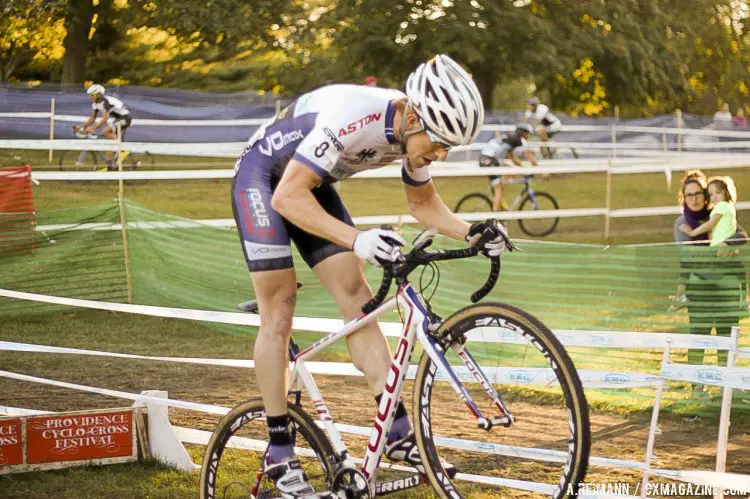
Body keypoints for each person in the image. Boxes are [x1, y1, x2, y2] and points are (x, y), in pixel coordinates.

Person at [232, 54, 509, 498]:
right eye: (438, 144)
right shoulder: (352, 117)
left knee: (358, 299)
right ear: (415, 115)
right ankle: (279, 448)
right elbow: (286, 197)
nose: (438, 155)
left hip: (311, 187)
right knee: (279, 311)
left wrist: (472, 231)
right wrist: (358, 239)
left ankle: (397, 430)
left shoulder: (414, 132)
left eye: (447, 149)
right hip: (263, 180)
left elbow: (422, 205)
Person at [672, 171, 747, 369]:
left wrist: (729, 242)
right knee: (698, 336)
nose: (695, 199)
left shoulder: (719, 214)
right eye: (689, 195)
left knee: (726, 335)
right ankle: (697, 386)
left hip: (725, 286)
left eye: (698, 194)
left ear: (705, 196)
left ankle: (725, 386)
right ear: (684, 197)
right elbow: (690, 255)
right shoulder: (681, 224)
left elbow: (740, 234)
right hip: (699, 287)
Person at [479, 123, 538, 211]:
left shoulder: (510, 137)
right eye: (527, 133)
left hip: (488, 158)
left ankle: (501, 206)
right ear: (523, 133)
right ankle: (495, 216)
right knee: (500, 189)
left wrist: (523, 168)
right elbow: (529, 155)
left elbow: (512, 156)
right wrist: (537, 168)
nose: (528, 136)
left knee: (509, 169)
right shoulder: (518, 139)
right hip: (490, 160)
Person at [73, 84, 133, 170]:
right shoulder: (95, 104)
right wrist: (81, 126)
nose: (90, 97)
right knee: (109, 142)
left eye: (92, 95)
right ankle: (110, 164)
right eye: (89, 95)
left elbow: (105, 119)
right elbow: (92, 118)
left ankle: (122, 150)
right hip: (119, 118)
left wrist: (92, 128)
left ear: (99, 94)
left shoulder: (105, 101)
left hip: (125, 118)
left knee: (105, 132)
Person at [679, 176, 738, 252]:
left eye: (718, 192)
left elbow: (711, 224)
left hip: (720, 247)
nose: (714, 197)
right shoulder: (727, 207)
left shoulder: (722, 205)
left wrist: (692, 233)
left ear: (726, 192)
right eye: (711, 194)